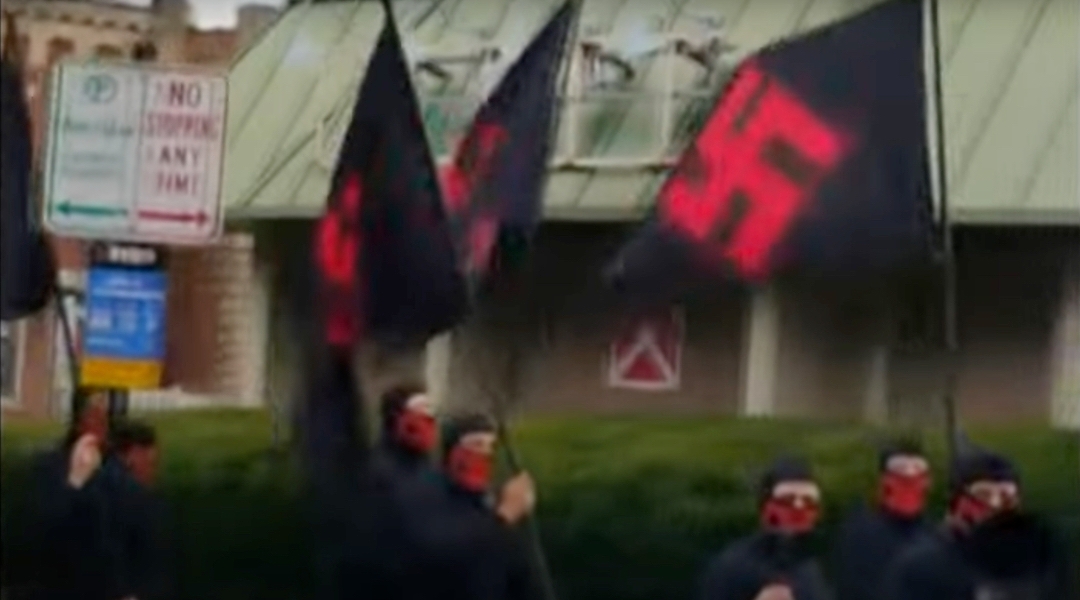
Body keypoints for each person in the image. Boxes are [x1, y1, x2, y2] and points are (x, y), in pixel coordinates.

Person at [884, 448, 1069, 600]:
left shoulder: (1039, 562)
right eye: (984, 495)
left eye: (1006, 496)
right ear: (956, 501)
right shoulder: (922, 567)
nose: (995, 505)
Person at [396, 413, 538, 600]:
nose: (485, 453)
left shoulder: (486, 501)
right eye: (476, 445)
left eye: (491, 447)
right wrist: (505, 517)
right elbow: (460, 555)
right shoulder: (430, 499)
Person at [696, 457, 833, 600]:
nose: (799, 508)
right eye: (787, 500)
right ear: (766, 505)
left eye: (808, 501)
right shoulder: (734, 566)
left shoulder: (810, 570)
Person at [832, 441, 933, 600]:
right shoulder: (861, 534)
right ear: (884, 481)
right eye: (901, 474)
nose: (909, 479)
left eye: (918, 474)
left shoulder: (934, 535)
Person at [371, 384, 439, 489]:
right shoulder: (376, 472)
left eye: (430, 418)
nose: (428, 424)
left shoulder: (431, 472)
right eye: (420, 415)